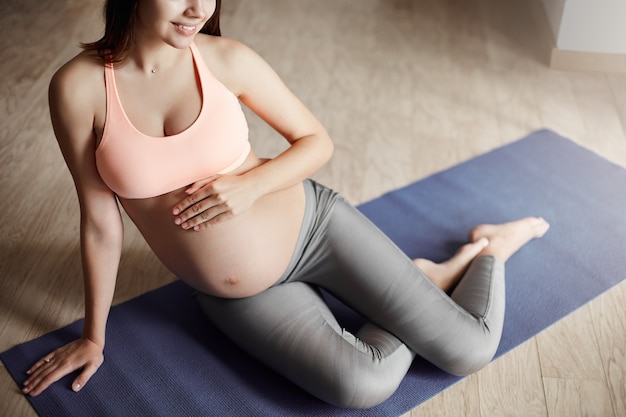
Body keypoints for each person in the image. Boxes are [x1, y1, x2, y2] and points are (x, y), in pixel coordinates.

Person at [22, 0, 549, 409]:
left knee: (470, 349)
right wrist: (94, 337)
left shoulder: (225, 59)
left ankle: (489, 251)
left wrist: (250, 186)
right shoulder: (79, 88)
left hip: (315, 229)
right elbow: (98, 222)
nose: (198, 9)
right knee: (361, 384)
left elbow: (315, 140)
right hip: (237, 295)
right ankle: (422, 278)